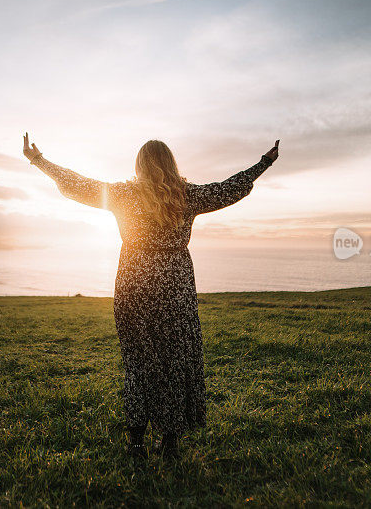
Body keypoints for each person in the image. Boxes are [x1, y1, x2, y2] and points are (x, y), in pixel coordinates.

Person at [23, 133, 279, 459]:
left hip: (133, 285)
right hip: (175, 287)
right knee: (174, 363)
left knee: (139, 364)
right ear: (171, 164)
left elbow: (76, 183)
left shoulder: (122, 194)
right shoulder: (186, 196)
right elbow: (229, 188)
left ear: (139, 165)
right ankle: (170, 444)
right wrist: (264, 163)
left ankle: (136, 444)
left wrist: (38, 160)